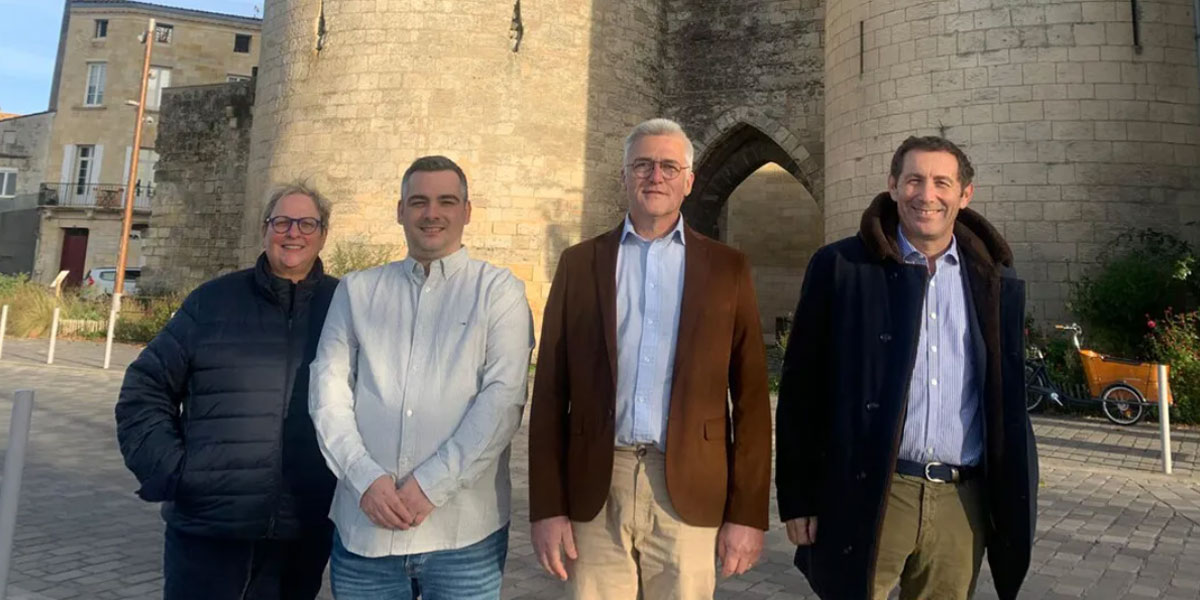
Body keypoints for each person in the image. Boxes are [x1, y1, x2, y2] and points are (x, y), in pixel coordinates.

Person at [776, 135, 1038, 600]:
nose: (927, 194)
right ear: (893, 186)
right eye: (914, 180)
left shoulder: (993, 279)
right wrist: (798, 498)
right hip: (873, 490)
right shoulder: (842, 267)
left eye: (942, 182)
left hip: (960, 499)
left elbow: (1004, 398)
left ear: (965, 194)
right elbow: (801, 389)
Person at [528, 118, 772, 599]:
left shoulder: (727, 268)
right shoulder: (580, 264)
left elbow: (751, 398)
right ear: (624, 177)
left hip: (689, 483)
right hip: (597, 482)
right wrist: (547, 508)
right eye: (642, 165)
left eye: (668, 166)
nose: (655, 176)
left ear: (688, 181)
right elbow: (551, 393)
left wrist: (747, 514)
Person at [308, 155, 534, 600]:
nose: (432, 213)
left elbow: (503, 400)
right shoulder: (357, 291)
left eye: (446, 201)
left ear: (467, 212)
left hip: (463, 537)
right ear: (400, 211)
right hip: (365, 530)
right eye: (419, 202)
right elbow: (327, 394)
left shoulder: (499, 292)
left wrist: (431, 486)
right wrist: (364, 479)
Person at [115, 182, 340, 599]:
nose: (293, 233)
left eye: (307, 224)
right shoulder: (213, 302)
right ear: (264, 229)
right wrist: (176, 473)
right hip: (208, 528)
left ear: (323, 234)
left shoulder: (344, 307)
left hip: (301, 528)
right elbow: (145, 388)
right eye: (282, 222)